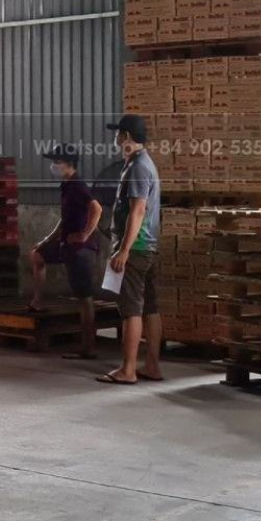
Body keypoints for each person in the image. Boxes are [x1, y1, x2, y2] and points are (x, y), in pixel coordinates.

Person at [97, 114, 163, 385]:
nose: (115, 139)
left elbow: (138, 211)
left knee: (131, 310)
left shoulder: (137, 168)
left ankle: (128, 370)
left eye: (118, 134)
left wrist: (124, 250)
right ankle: (152, 366)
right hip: (149, 246)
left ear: (126, 137)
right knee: (151, 308)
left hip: (135, 249)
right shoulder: (145, 164)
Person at [28, 144, 103, 360]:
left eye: (57, 162)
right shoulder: (67, 185)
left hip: (80, 250)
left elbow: (97, 209)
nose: (53, 166)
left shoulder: (78, 185)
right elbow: (65, 219)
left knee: (84, 298)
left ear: (69, 164)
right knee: (37, 255)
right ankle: (37, 302)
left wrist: (85, 234)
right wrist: (46, 240)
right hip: (66, 245)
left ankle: (88, 346)